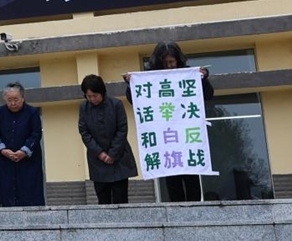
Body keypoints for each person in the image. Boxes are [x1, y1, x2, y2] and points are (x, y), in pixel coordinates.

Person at [124, 41, 214, 202]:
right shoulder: (152, 77)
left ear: (178, 60)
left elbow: (208, 94)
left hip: (187, 136)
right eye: (165, 63)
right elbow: (135, 100)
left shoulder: (188, 74)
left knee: (191, 175)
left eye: (172, 62)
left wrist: (204, 78)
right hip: (166, 137)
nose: (170, 66)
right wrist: (131, 84)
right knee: (172, 178)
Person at [78, 74, 138, 204]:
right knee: (103, 199)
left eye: (95, 95)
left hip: (119, 158)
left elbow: (122, 130)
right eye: (89, 96)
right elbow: (84, 132)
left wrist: (112, 154)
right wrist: (100, 153)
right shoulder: (83, 107)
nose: (92, 99)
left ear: (102, 92)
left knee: (120, 198)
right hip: (97, 160)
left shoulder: (116, 104)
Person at [0, 82, 45, 207]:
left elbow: (36, 134)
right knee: (5, 193)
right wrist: (3, 150)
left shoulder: (32, 112)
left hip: (28, 162)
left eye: (16, 100)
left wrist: (24, 151)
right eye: (9, 100)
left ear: (23, 98)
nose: (13, 103)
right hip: (5, 161)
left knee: (30, 193)